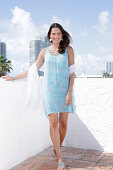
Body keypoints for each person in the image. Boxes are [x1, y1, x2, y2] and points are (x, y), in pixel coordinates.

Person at [1, 23, 76, 170]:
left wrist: (69, 92)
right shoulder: (44, 51)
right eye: (53, 34)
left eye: (58, 34)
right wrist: (14, 77)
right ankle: (60, 158)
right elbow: (33, 70)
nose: (56, 36)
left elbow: (72, 73)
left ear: (62, 35)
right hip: (49, 91)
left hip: (64, 91)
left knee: (64, 124)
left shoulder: (69, 50)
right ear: (49, 36)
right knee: (53, 123)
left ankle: (57, 147)